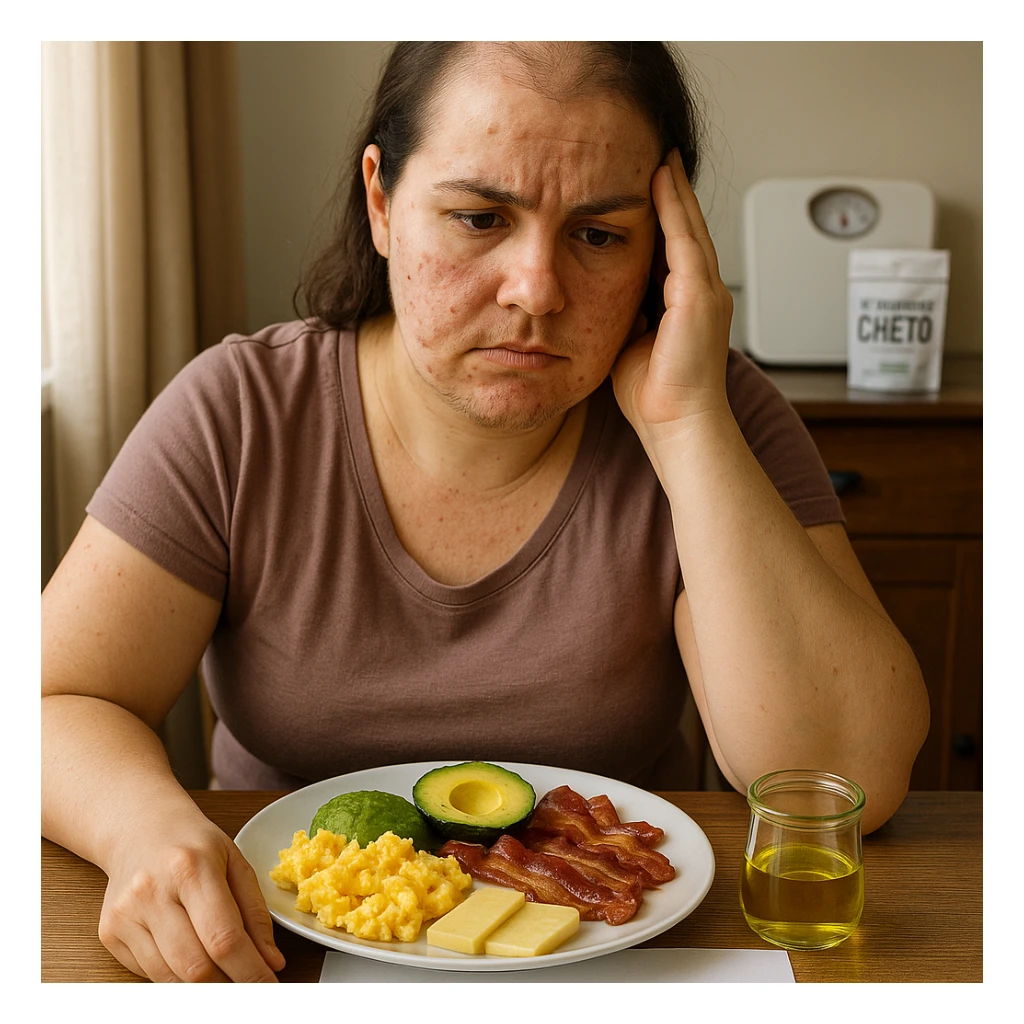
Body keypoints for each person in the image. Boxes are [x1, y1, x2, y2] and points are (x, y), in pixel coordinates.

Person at [41, 41, 930, 983]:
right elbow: (52, 701)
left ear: (666, 248)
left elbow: (850, 782)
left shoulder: (717, 412)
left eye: (601, 235)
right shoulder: (240, 410)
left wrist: (688, 426)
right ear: (381, 201)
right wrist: (142, 824)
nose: (536, 291)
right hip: (282, 948)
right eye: (477, 217)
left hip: (613, 963)